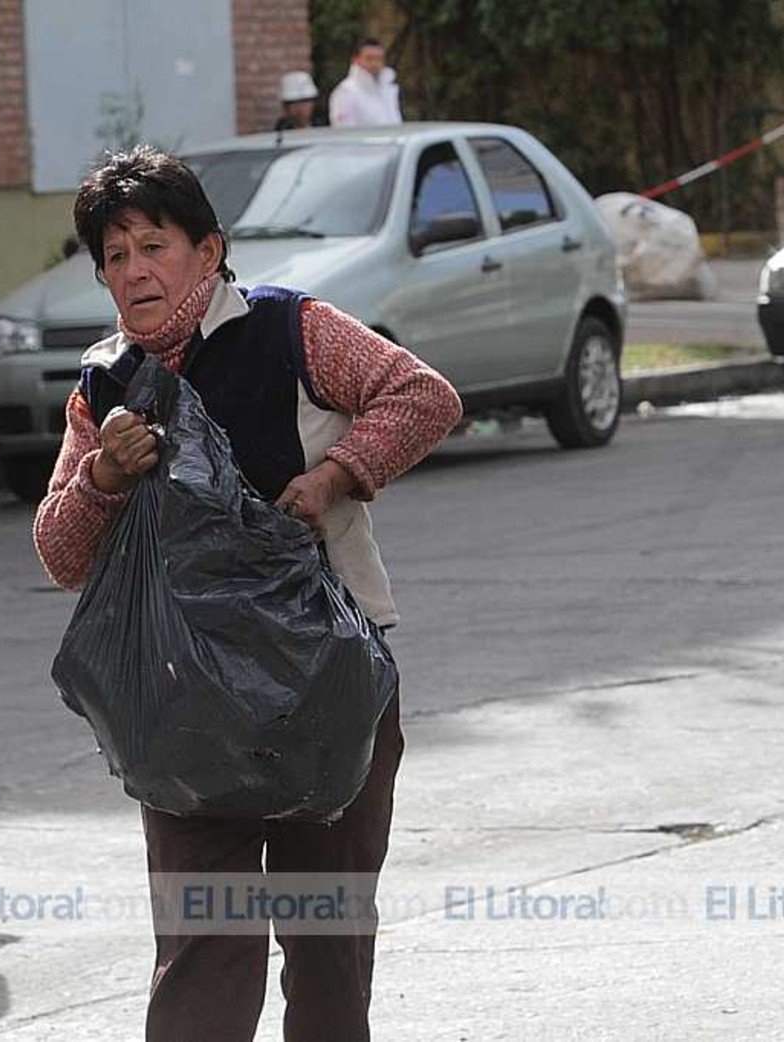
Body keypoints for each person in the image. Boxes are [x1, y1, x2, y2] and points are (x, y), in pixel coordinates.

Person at [33, 147, 462, 1042]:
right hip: (181, 701)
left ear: (209, 249)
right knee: (202, 941)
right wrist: (102, 479)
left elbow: (421, 396)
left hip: (325, 683)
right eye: (114, 257)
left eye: (154, 244)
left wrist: (339, 473)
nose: (134, 271)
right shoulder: (103, 382)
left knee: (325, 938)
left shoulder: (291, 328)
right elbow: (60, 555)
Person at [329, 36, 403, 127]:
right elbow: (344, 130)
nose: (375, 63)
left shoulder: (388, 89)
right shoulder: (346, 92)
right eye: (369, 58)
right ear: (357, 60)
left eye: (379, 58)